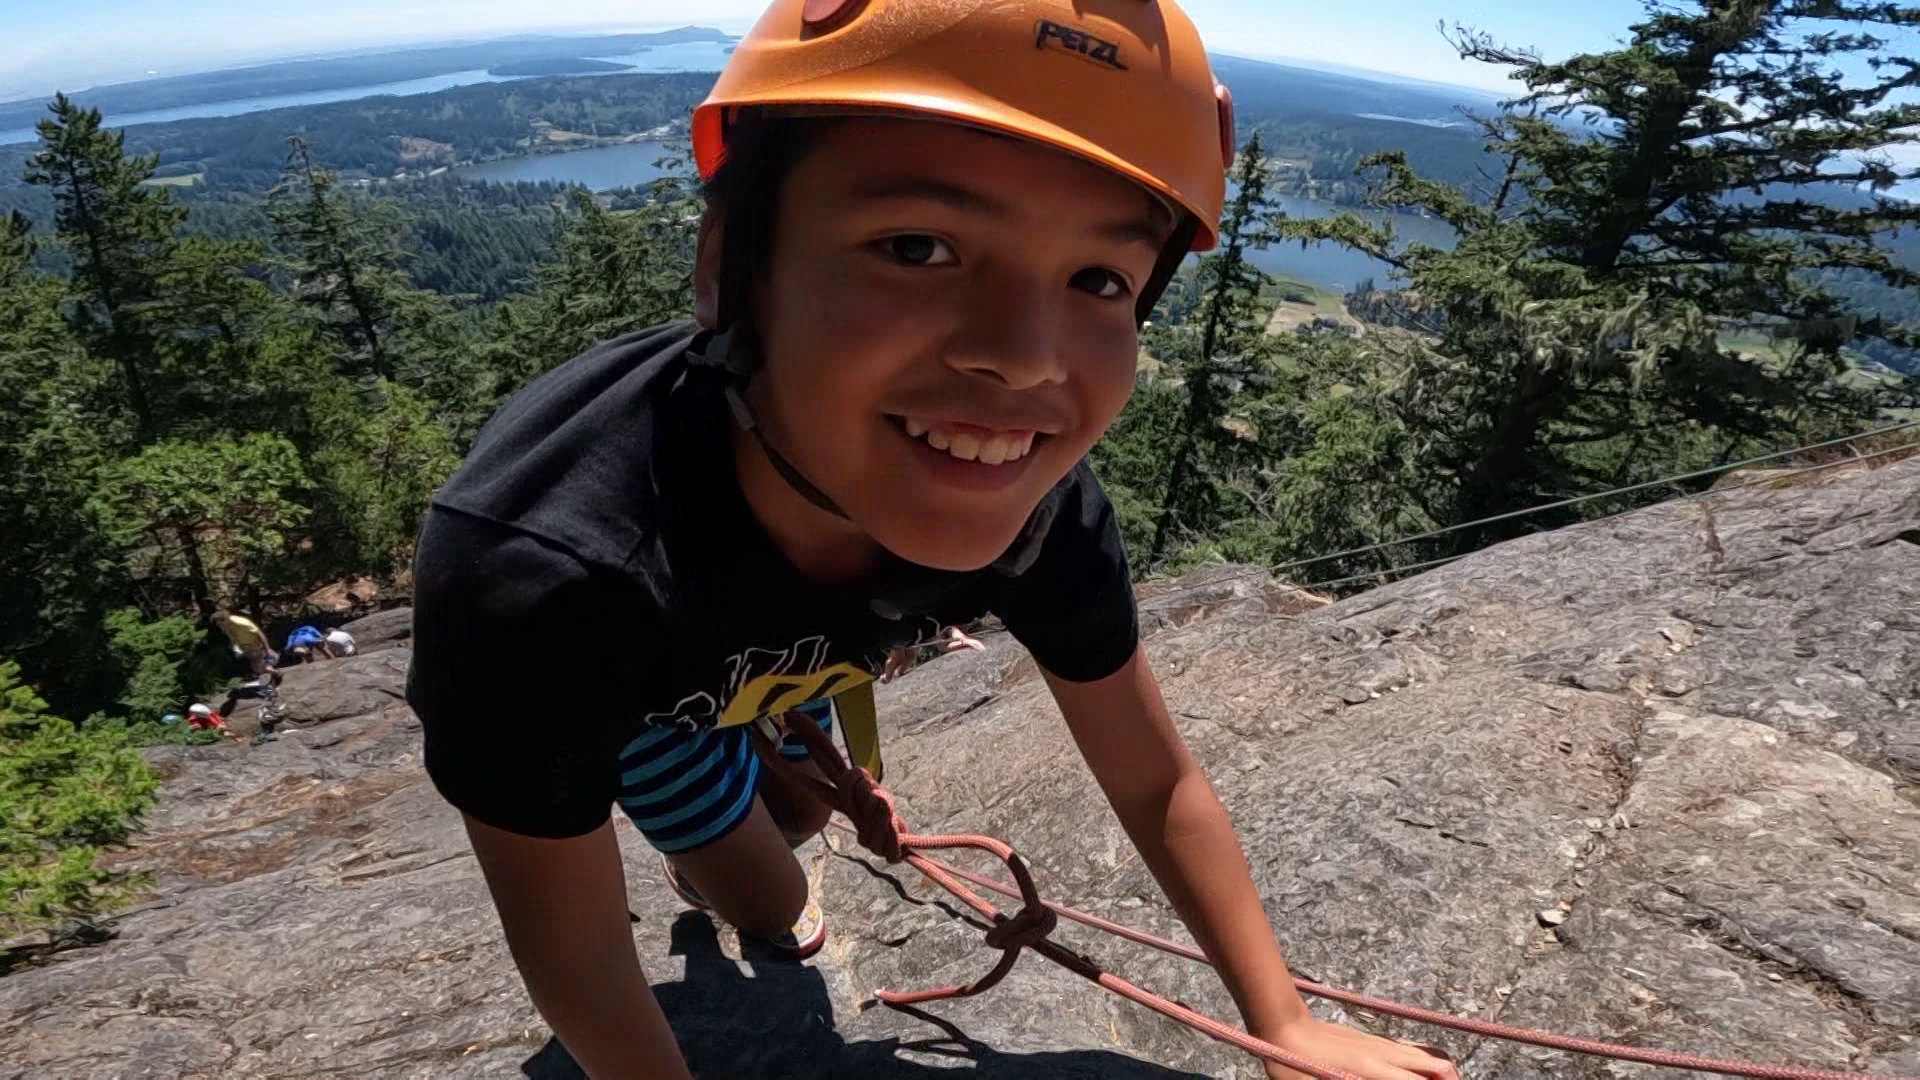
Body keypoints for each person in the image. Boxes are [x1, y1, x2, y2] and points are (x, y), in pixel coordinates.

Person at [405, 4, 1458, 1079]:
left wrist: (1279, 1022)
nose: (1022, 360)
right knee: (772, 902)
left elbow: (1154, 780)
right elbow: (575, 950)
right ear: (729, 265)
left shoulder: (1027, 504)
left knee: (809, 814)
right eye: (919, 248)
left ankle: (749, 810)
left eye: (1100, 278)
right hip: (629, 685)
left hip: (768, 656)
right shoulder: (541, 575)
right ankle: (710, 854)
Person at [211, 610, 274, 677]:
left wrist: (267, 648)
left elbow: (259, 633)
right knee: (253, 667)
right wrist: (236, 649)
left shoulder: (241, 623)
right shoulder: (225, 626)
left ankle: (275, 673)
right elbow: (232, 638)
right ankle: (272, 674)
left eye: (220, 623)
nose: (219, 626)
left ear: (224, 619)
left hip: (252, 645)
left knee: (257, 667)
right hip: (242, 647)